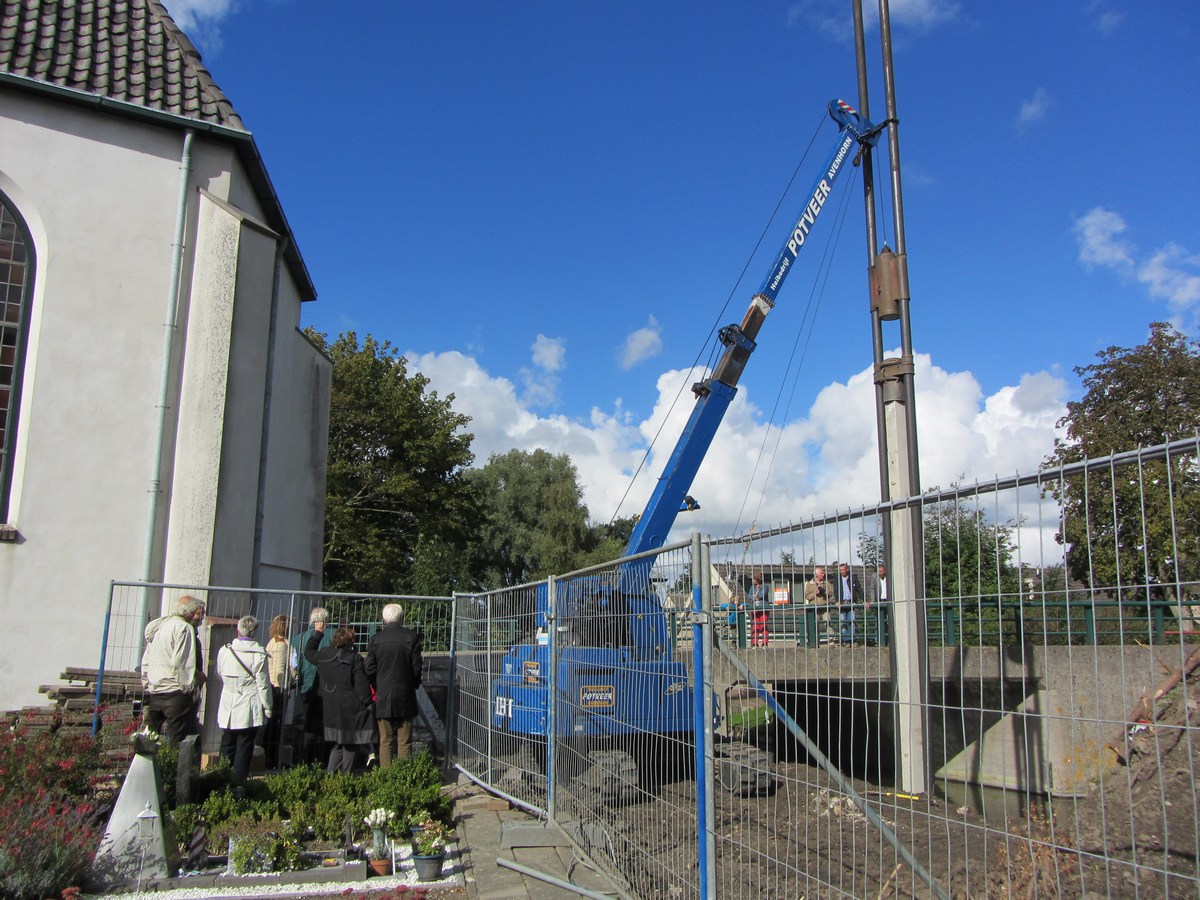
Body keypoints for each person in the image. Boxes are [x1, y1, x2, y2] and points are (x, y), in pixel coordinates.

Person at [305, 623, 375, 773]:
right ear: (350, 642)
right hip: (351, 708)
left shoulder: (324, 654)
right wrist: (369, 702)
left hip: (330, 705)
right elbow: (361, 687)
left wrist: (317, 634)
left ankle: (331, 776)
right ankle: (346, 777)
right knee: (350, 743)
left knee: (338, 743)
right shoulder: (354, 659)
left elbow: (308, 652)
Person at [215, 615, 272, 792]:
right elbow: (263, 685)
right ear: (254, 632)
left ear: (238, 630)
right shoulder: (259, 654)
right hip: (249, 701)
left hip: (228, 700)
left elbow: (220, 673)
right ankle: (239, 784)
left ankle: (221, 780)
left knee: (227, 742)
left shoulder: (225, 650)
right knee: (245, 744)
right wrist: (268, 708)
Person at [141, 596, 206, 745]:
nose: (201, 618)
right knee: (178, 741)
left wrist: (146, 682)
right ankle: (172, 768)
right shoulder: (184, 628)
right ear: (189, 612)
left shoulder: (159, 626)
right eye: (199, 614)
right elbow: (182, 662)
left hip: (156, 689)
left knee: (149, 740)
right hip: (175, 692)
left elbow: (147, 659)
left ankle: (146, 767)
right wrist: (188, 688)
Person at [365, 603, 424, 766]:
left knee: (385, 740)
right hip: (405, 693)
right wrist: (413, 684)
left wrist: (376, 686)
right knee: (405, 741)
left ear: (384, 619)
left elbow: (369, 669)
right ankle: (403, 777)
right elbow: (417, 666)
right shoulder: (411, 637)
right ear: (401, 617)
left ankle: (386, 779)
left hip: (384, 695)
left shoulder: (375, 640)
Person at [291, 607, 330, 765]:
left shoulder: (298, 639)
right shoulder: (333, 636)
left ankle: (306, 760)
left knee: (307, 723)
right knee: (325, 723)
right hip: (327, 687)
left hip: (306, 685)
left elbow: (294, 665)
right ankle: (324, 760)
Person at [263, 615, 291, 768]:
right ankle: (272, 758)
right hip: (278, 687)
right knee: (276, 724)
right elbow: (280, 669)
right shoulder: (280, 644)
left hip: (274, 685)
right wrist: (284, 686)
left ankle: (271, 756)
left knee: (273, 723)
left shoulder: (272, 642)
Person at [835, 562, 864, 645]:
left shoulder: (852, 578)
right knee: (843, 623)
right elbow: (836, 590)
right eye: (840, 570)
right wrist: (837, 600)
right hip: (842, 603)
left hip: (851, 603)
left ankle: (852, 640)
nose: (842, 572)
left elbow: (859, 589)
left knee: (852, 622)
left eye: (843, 570)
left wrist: (864, 600)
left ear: (846, 570)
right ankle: (847, 641)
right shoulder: (837, 578)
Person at [804, 567, 833, 644]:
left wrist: (823, 591)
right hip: (814, 608)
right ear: (816, 574)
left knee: (828, 623)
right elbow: (807, 596)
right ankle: (816, 641)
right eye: (822, 573)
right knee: (815, 625)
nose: (823, 574)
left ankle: (831, 641)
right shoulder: (809, 584)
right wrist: (815, 593)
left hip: (824, 607)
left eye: (823, 573)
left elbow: (830, 594)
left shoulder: (827, 583)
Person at [749, 572, 769, 647]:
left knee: (764, 625)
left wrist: (757, 595)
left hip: (763, 608)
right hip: (755, 608)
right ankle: (755, 643)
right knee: (755, 626)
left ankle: (765, 642)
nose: (752, 581)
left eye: (754, 579)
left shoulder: (765, 586)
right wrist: (754, 597)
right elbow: (749, 596)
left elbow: (763, 594)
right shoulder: (752, 587)